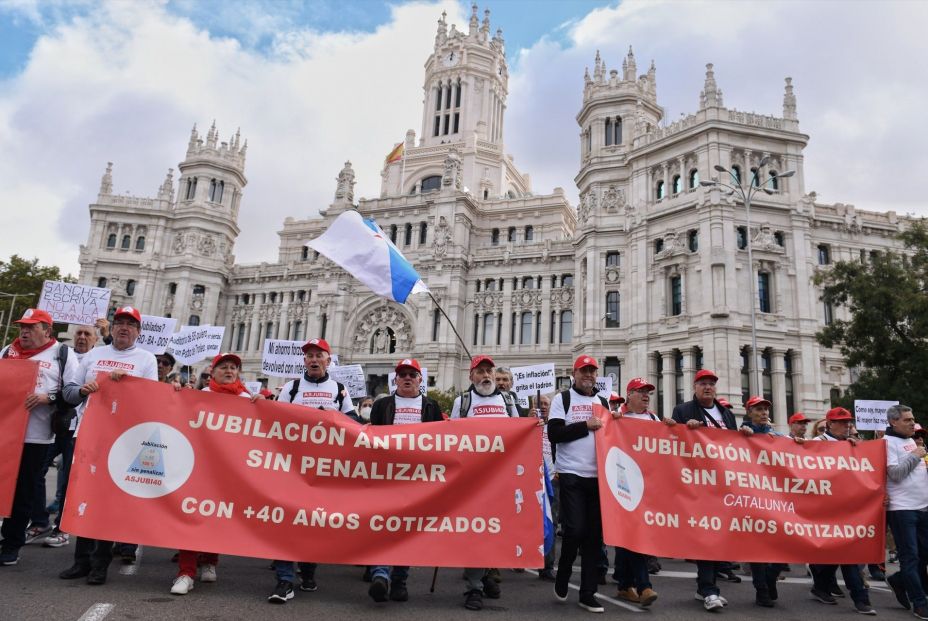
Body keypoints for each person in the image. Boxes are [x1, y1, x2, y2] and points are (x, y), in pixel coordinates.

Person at [59, 306, 158, 585]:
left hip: (121, 441)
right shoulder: (94, 355)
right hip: (87, 435)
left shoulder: (146, 360)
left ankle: (100, 563)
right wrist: (82, 390)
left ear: (138, 331)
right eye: (119, 323)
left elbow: (152, 400)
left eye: (130, 324)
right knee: (80, 497)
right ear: (111, 328)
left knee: (105, 501)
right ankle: (80, 561)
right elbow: (68, 393)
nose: (124, 328)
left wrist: (128, 384)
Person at [267, 337, 359, 604]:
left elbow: (353, 421)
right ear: (304, 361)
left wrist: (331, 417)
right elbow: (274, 419)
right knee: (286, 522)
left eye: (319, 355)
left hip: (324, 469)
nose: (314, 359)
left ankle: (308, 570)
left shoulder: (339, 389)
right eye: (309, 356)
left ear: (328, 360)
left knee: (313, 522)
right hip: (292, 467)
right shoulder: (292, 388)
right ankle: (284, 579)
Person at [171, 352, 263, 595]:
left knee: (218, 517)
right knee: (191, 517)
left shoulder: (248, 399)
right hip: (199, 469)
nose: (230, 371)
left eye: (233, 367)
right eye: (224, 367)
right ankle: (186, 572)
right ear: (213, 372)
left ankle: (210, 561)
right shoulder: (200, 396)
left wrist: (262, 406)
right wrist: (177, 395)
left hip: (230, 471)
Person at [0, 309, 82, 566]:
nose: (24, 331)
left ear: (47, 330)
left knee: (23, 491)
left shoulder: (62, 355)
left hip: (37, 437)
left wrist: (49, 398)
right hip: (5, 432)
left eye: (31, 327)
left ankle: (11, 544)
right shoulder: (6, 353)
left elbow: (73, 393)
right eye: (22, 326)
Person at [671, 369, 752, 611]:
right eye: (703, 383)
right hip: (696, 482)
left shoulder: (726, 413)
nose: (708, 387)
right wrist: (686, 429)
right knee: (707, 536)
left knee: (717, 538)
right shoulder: (683, 411)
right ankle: (709, 589)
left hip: (721, 483)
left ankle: (704, 586)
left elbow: (732, 447)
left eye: (712, 384)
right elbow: (672, 442)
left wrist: (745, 435)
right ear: (695, 387)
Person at [366, 358, 443, 603]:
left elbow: (442, 442)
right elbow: (371, 437)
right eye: (402, 374)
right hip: (386, 478)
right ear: (395, 379)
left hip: (417, 480)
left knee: (407, 529)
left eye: (412, 374)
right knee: (382, 526)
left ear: (420, 379)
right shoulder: (383, 405)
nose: (407, 378)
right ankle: (380, 574)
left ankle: (400, 580)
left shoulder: (431, 406)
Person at [450, 355, 519, 610]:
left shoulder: (508, 401)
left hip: (501, 478)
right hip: (473, 480)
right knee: (476, 531)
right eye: (480, 371)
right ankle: (474, 587)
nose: (486, 375)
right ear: (471, 377)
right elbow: (451, 438)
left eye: (489, 371)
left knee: (498, 530)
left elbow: (519, 434)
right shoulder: (463, 401)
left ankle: (489, 573)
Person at [548, 355, 610, 614]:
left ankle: (588, 593)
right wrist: (585, 425)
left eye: (592, 372)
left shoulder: (603, 401)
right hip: (571, 473)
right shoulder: (562, 399)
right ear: (574, 374)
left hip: (598, 477)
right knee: (574, 530)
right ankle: (563, 572)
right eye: (584, 371)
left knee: (594, 538)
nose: (589, 376)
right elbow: (555, 434)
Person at [610, 377, 671, 607]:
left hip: (647, 486)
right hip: (623, 484)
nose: (646, 396)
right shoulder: (619, 417)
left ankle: (625, 585)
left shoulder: (654, 419)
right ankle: (645, 586)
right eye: (641, 391)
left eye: (648, 392)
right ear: (630, 395)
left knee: (631, 536)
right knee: (635, 535)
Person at [808, 407, 875, 615]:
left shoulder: (851, 444)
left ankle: (859, 598)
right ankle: (822, 585)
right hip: (822, 507)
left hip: (846, 507)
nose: (847, 425)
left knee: (846, 552)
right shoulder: (816, 444)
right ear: (829, 424)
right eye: (842, 422)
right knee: (833, 552)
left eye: (848, 422)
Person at [42, 324, 102, 549]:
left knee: (68, 480)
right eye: (79, 333)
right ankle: (39, 520)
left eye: (88, 334)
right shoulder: (62, 355)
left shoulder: (95, 359)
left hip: (78, 428)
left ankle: (62, 529)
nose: (82, 337)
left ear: (96, 340)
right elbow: (66, 390)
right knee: (37, 470)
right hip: (57, 425)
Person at [882, 405, 928, 620]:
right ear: (893, 422)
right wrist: (917, 456)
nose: (912, 423)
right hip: (902, 509)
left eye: (912, 419)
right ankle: (919, 603)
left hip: (922, 507)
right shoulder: (887, 443)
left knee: (923, 557)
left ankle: (899, 581)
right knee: (910, 557)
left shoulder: (910, 440)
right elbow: (896, 474)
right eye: (907, 420)